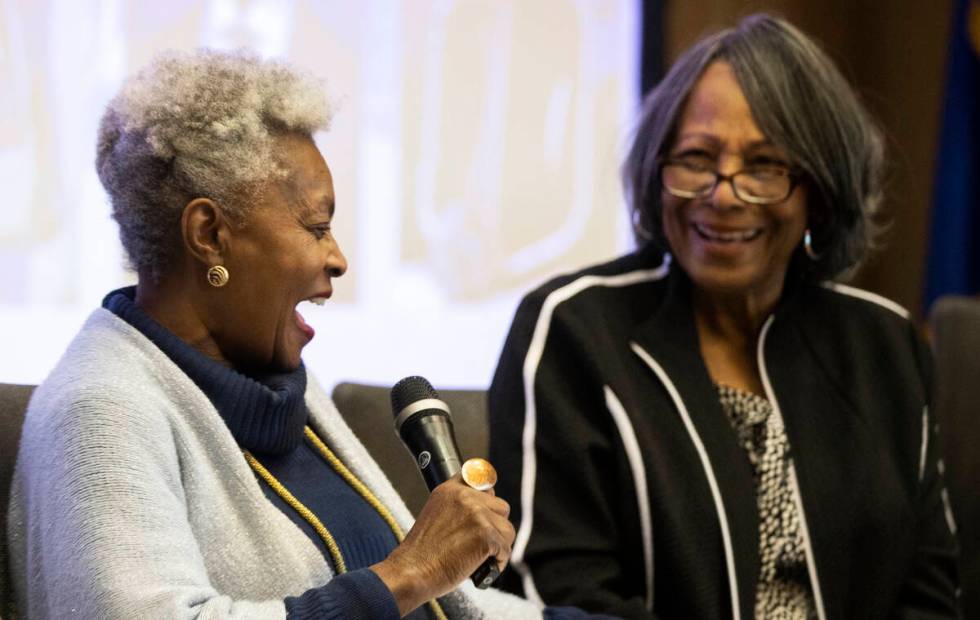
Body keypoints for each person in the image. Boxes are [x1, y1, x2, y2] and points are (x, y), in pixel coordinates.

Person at [7, 49, 551, 620]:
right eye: (316, 227)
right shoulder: (99, 409)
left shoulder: (280, 386)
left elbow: (458, 607)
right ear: (209, 234)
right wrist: (407, 574)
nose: (338, 259)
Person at [488, 14, 961, 620]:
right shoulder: (573, 329)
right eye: (696, 157)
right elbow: (554, 591)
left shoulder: (885, 343)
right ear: (657, 172)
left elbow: (929, 595)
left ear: (818, 188)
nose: (724, 193)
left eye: (764, 165)